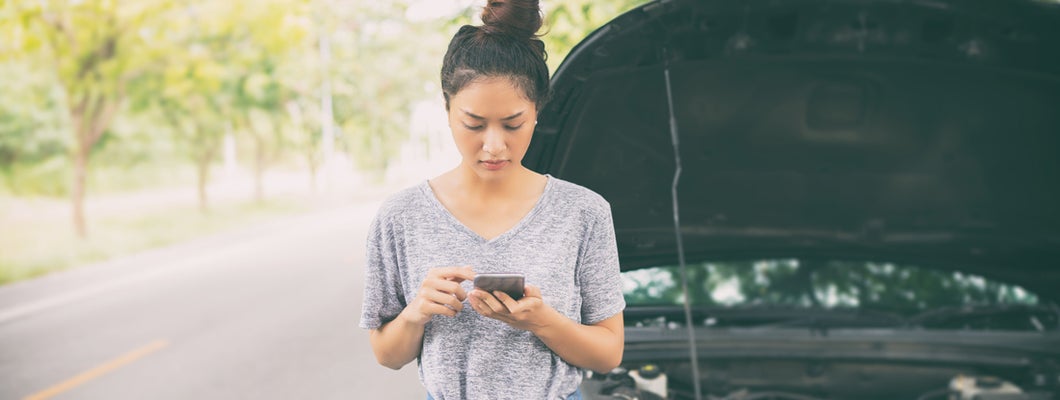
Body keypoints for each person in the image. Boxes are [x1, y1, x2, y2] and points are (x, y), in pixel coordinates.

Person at [358, 1, 625, 398]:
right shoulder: (401, 216)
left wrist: (542, 322)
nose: (494, 145)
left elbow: (608, 354)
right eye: (474, 124)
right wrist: (416, 312)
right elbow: (387, 354)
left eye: (513, 124)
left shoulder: (584, 212)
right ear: (448, 110)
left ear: (537, 111)